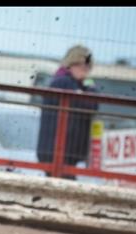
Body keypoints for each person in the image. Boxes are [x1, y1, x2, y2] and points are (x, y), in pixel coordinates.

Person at [36, 45, 99, 180]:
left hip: (61, 152)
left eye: (87, 67)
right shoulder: (64, 82)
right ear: (72, 64)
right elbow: (89, 104)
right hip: (59, 152)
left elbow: (92, 104)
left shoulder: (68, 82)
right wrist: (89, 85)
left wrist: (87, 84)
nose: (85, 71)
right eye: (82, 66)